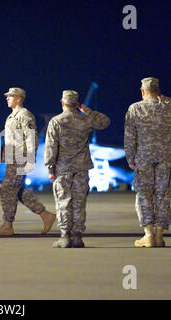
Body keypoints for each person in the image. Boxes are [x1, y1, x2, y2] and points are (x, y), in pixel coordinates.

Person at [124, 77, 171, 247]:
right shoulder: (170, 106)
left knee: (144, 194)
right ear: (158, 90)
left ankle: (149, 234)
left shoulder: (135, 108)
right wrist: (165, 99)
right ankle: (159, 234)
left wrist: (130, 158)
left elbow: (130, 137)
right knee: (163, 194)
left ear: (143, 91)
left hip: (143, 156)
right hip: (164, 156)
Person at [45, 90, 110, 248]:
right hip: (82, 168)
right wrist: (86, 110)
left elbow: (51, 147)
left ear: (62, 103)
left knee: (63, 202)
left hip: (63, 168)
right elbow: (105, 121)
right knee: (79, 202)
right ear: (76, 104)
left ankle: (65, 237)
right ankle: (78, 237)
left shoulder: (56, 121)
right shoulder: (85, 119)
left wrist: (50, 168)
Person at [0, 87, 56, 236]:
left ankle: (7, 226)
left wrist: (30, 160)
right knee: (17, 190)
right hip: (12, 159)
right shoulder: (11, 116)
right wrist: (0, 156)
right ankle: (46, 215)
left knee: (8, 190)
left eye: (10, 96)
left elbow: (31, 138)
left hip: (20, 159)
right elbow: (8, 141)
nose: (7, 98)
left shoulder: (25, 115)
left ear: (18, 98)